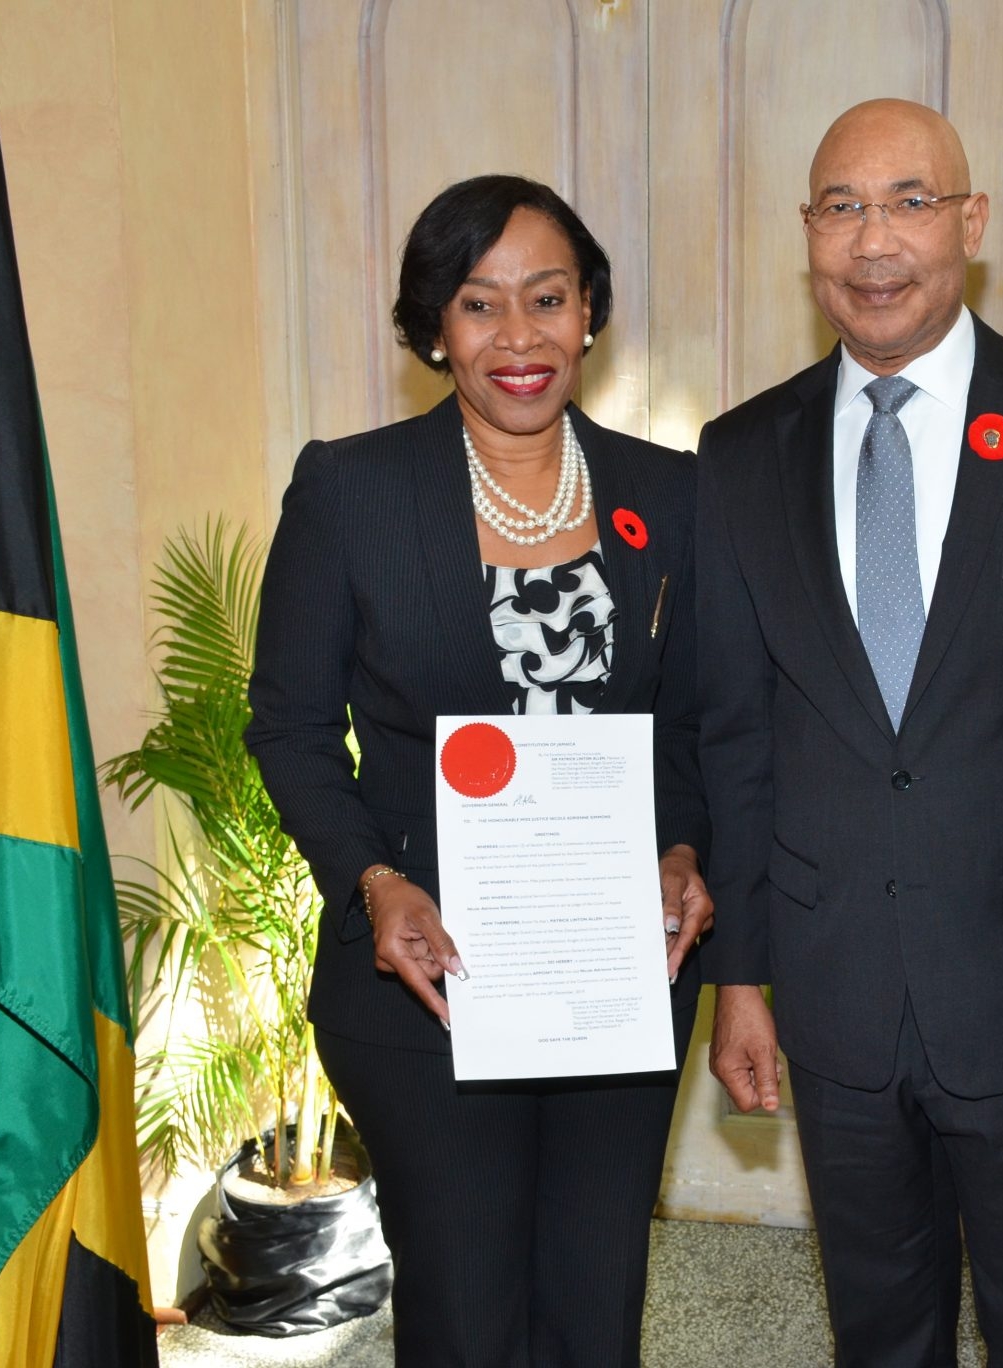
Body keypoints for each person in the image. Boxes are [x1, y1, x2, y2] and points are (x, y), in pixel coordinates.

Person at [697, 99, 1003, 1366]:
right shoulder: (738, 453)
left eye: (909, 202)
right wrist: (737, 976)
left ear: (970, 224)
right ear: (805, 234)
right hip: (831, 983)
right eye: (841, 207)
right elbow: (736, 736)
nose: (873, 242)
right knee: (877, 1330)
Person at [245, 174, 710, 1368]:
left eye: (546, 298)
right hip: (426, 975)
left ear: (590, 311)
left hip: (613, 968)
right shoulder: (349, 489)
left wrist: (684, 850)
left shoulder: (670, 492)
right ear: (432, 328)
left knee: (595, 1295)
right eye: (478, 304)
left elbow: (703, 720)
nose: (518, 338)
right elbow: (290, 726)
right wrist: (370, 882)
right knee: (462, 1306)